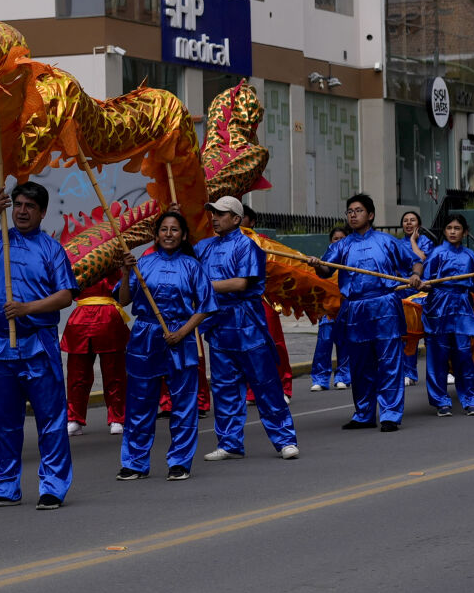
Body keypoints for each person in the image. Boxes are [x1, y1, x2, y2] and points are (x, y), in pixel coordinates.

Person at [0, 182, 79, 511]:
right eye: (18, 205)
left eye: (30, 206)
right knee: (5, 421)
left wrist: (27, 309)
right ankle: (5, 485)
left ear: (42, 212)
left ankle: (53, 486)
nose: (22, 211)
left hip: (38, 344)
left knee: (51, 421)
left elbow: (65, 295)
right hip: (0, 345)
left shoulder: (52, 249)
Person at [114, 212, 215, 481]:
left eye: (174, 230)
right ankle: (134, 462)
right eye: (164, 229)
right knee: (139, 402)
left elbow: (206, 307)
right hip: (145, 336)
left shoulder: (193, 266)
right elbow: (123, 300)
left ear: (183, 235)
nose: (169, 234)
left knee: (183, 404)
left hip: (180, 338)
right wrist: (125, 273)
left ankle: (180, 461)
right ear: (156, 234)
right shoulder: (142, 264)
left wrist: (181, 332)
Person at [198, 198, 299, 462]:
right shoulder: (205, 247)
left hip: (248, 323)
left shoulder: (248, 246)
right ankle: (229, 443)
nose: (215, 218)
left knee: (266, 383)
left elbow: (240, 284)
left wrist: (203, 287)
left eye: (221, 213)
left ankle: (284, 439)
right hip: (219, 325)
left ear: (235, 218)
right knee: (223, 387)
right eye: (213, 213)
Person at [319, 194, 421, 433]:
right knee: (360, 364)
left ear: (371, 215)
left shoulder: (387, 241)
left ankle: (390, 414)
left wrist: (415, 275)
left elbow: (415, 262)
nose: (353, 215)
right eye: (349, 211)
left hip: (385, 306)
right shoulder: (341, 245)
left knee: (389, 362)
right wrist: (316, 264)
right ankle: (364, 413)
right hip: (355, 309)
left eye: (358, 210)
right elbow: (325, 270)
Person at [416, 214, 474, 417]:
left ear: (465, 232)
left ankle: (471, 399)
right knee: (438, 356)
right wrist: (423, 283)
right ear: (444, 231)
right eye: (449, 228)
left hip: (461, 307)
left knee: (464, 355)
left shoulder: (469, 255)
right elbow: (426, 282)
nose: (453, 231)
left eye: (457, 228)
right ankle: (440, 401)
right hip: (438, 307)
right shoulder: (436, 253)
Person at [61, 276, 128, 437]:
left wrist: (125, 268)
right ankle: (74, 418)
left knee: (115, 373)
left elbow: (122, 289)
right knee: (77, 375)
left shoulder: (114, 253)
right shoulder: (73, 254)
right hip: (81, 317)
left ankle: (117, 418)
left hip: (108, 316)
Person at [240, 206, 295, 399]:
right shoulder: (223, 243)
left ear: (252, 222)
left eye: (242, 216)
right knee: (245, 346)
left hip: (264, 299)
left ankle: (283, 387)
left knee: (274, 342)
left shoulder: (263, 242)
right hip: (239, 303)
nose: (238, 220)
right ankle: (252, 389)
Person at [309, 227, 352, 391]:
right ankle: (320, 378)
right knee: (323, 344)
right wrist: (317, 310)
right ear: (330, 241)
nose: (339, 241)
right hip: (327, 311)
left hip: (345, 310)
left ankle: (343, 376)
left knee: (344, 344)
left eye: (342, 238)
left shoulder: (351, 262)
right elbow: (316, 289)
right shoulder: (323, 262)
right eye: (335, 239)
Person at [398, 211, 437, 387]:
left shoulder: (426, 242)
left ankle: (438, 372)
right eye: (405, 221)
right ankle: (409, 373)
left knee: (430, 334)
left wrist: (413, 241)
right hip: (405, 293)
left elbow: (421, 258)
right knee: (409, 335)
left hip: (424, 292)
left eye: (412, 220)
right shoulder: (397, 244)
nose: (408, 223)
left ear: (418, 225)